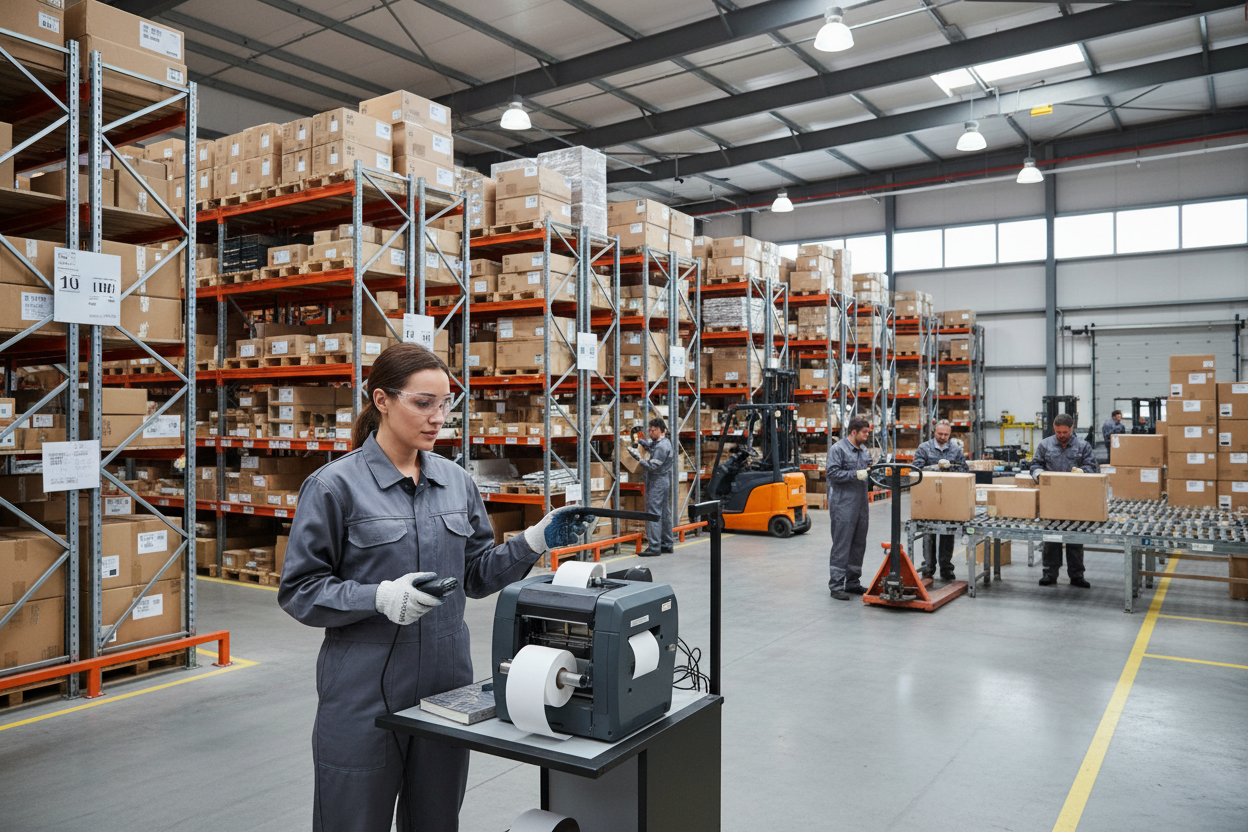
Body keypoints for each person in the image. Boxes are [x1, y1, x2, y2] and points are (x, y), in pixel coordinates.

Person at [278, 343, 594, 832]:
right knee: (352, 821)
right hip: (362, 693)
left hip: (445, 688)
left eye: (445, 403)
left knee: (436, 820)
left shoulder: (456, 482)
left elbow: (476, 575)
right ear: (382, 400)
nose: (438, 417)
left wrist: (534, 540)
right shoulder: (333, 487)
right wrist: (379, 597)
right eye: (423, 403)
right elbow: (300, 589)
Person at [1030, 412, 1098, 589]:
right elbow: (1036, 465)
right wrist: (1039, 475)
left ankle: (1076, 575)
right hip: (1052, 499)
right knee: (1051, 538)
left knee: (1074, 539)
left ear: (1071, 428)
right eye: (1058, 432)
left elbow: (1092, 466)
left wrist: (1083, 472)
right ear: (1054, 429)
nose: (1061, 435)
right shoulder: (1045, 445)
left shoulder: (1083, 446)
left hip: (1075, 500)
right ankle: (1049, 574)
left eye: (1064, 432)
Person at [912, 419, 968, 581]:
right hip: (928, 497)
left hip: (949, 496)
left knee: (947, 533)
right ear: (934, 432)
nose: (943, 437)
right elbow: (916, 469)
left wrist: (952, 467)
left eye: (946, 434)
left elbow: (964, 470)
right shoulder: (924, 448)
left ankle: (946, 568)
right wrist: (936, 467)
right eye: (940, 434)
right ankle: (928, 567)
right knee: (928, 532)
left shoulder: (956, 450)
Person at [826, 417, 873, 600]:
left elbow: (868, 469)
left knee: (859, 543)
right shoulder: (838, 449)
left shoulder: (865, 450)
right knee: (842, 544)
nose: (867, 435)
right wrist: (855, 474)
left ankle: (852, 582)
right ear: (854, 432)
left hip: (861, 504)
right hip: (843, 504)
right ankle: (836, 585)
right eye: (864, 432)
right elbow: (832, 473)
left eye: (868, 432)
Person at [629, 418, 674, 557]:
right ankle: (667, 544)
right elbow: (652, 446)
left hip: (657, 481)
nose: (651, 433)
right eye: (650, 430)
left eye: (654, 430)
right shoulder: (661, 443)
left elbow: (652, 466)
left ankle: (654, 547)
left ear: (663, 431)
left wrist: (638, 458)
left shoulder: (662, 446)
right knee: (664, 513)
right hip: (663, 480)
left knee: (653, 513)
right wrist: (644, 443)